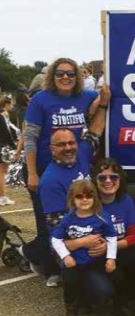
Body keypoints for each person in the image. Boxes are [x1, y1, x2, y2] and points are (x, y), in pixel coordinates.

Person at [21, 57, 110, 286]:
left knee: (73, 217)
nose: (65, 77)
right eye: (60, 73)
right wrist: (32, 172)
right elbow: (29, 137)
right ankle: (50, 267)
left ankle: (58, 258)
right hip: (42, 168)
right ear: (52, 76)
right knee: (48, 224)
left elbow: (102, 103)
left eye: (70, 73)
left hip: (72, 163)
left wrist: (104, 92)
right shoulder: (41, 100)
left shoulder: (85, 96)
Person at [50, 180, 117, 316]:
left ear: (95, 198)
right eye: (79, 196)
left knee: (104, 291)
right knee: (70, 282)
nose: (84, 200)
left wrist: (111, 258)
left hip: (94, 263)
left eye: (88, 196)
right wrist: (65, 256)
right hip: (72, 262)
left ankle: (88, 300)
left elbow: (112, 237)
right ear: (72, 199)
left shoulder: (101, 217)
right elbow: (56, 239)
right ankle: (71, 313)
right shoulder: (68, 219)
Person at [89, 157, 135, 316]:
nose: (108, 181)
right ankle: (83, 297)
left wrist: (111, 247)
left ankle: (124, 301)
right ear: (95, 180)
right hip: (95, 258)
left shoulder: (125, 200)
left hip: (116, 252)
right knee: (102, 293)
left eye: (113, 177)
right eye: (102, 177)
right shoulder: (87, 202)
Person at [0, 97, 20, 205]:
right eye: (11, 104)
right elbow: (7, 132)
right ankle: (2, 197)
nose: (12, 106)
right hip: (3, 146)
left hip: (2, 145)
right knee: (1, 172)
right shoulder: (3, 115)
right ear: (6, 104)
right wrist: (13, 145)